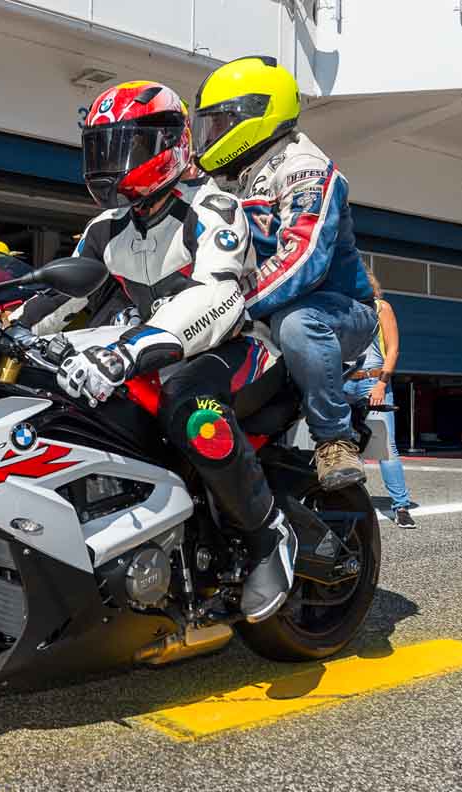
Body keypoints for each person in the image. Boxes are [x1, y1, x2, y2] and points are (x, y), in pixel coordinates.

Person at [20, 81, 298, 623]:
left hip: (238, 346)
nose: (112, 162)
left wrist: (127, 351)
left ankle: (269, 536)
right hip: (150, 355)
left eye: (128, 146)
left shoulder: (213, 208)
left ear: (171, 145)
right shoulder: (105, 230)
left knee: (192, 409)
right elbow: (57, 293)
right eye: (101, 148)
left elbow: (215, 294)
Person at [192, 56, 377, 491]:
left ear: (258, 116)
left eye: (220, 124)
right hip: (261, 311)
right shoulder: (230, 180)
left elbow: (304, 260)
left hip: (337, 310)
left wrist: (231, 305)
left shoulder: (304, 167)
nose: (211, 136)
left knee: (298, 324)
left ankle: (335, 440)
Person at [343, 272, 416, 529]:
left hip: (373, 381)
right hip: (345, 382)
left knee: (385, 447)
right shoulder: (342, 310)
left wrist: (382, 384)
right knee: (347, 447)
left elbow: (393, 349)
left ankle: (401, 506)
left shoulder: (381, 308)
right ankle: (347, 503)